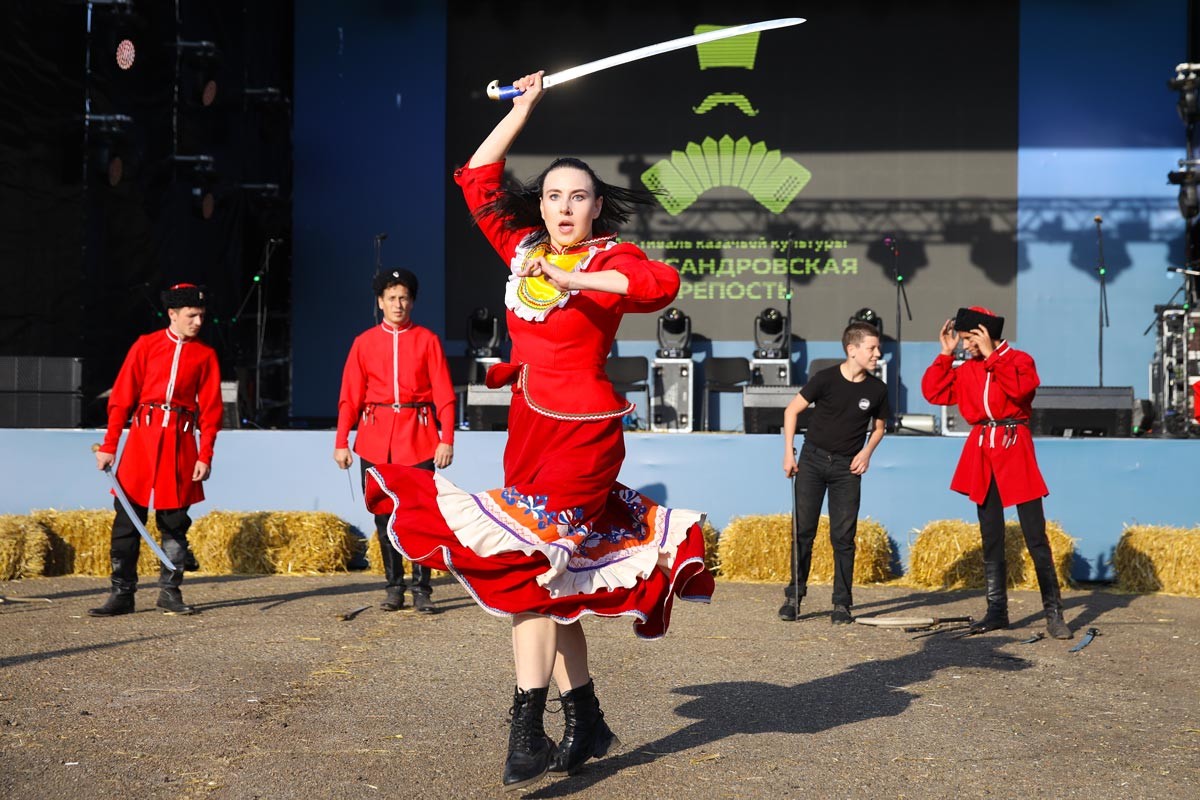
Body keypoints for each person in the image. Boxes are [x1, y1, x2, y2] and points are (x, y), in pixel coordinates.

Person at [362, 71, 713, 791]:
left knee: (530, 574)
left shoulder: (609, 259)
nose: (562, 206)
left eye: (577, 196)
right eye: (552, 195)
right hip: (529, 428)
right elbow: (479, 178)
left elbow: (659, 286)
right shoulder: (524, 252)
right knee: (554, 581)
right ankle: (585, 716)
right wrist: (524, 110)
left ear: (595, 207)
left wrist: (580, 282)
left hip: (585, 435)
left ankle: (526, 727)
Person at [921, 307, 1071, 639]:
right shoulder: (966, 369)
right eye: (961, 340)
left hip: (1015, 447)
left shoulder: (1019, 360)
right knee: (992, 537)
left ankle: (1054, 613)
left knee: (1035, 536)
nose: (964, 345)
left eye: (968, 338)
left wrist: (992, 356)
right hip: (983, 452)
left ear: (985, 334)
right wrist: (944, 356)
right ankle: (997, 611)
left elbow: (1020, 392)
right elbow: (933, 392)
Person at [90, 283, 223, 617]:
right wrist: (109, 446)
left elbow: (211, 411)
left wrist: (205, 454)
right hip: (142, 442)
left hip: (180, 444)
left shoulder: (205, 355)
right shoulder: (146, 346)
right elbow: (121, 398)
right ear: (173, 314)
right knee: (127, 520)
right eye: (192, 315)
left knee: (175, 522)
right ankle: (122, 593)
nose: (198, 322)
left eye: (202, 316)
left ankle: (169, 591)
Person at [334, 268, 456, 614]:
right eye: (391, 298)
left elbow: (445, 395)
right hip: (375, 438)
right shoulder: (364, 342)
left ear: (412, 302)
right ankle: (393, 587)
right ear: (380, 302)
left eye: (403, 297)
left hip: (418, 437)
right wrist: (342, 441)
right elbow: (349, 397)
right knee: (383, 516)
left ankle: (422, 588)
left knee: (421, 516)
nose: (398, 304)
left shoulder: (427, 340)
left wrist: (446, 438)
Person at [778, 321, 888, 624]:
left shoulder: (877, 389)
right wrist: (789, 452)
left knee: (843, 536)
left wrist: (866, 452)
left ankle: (842, 604)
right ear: (852, 350)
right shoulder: (824, 379)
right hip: (812, 462)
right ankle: (794, 597)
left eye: (877, 348)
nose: (878, 353)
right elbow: (791, 411)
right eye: (872, 348)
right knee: (803, 532)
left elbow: (879, 429)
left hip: (846, 468)